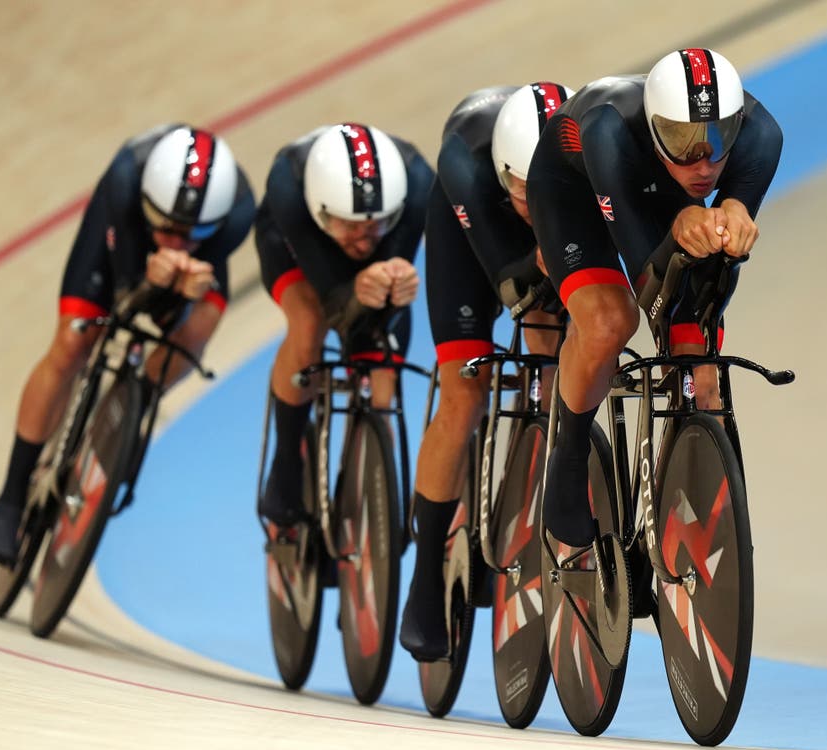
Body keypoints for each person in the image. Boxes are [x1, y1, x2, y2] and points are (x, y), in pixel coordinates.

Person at [526, 48, 783, 547]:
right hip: (574, 190)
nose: (703, 162)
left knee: (699, 365)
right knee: (608, 321)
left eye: (716, 140)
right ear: (653, 124)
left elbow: (707, 286)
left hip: (662, 189)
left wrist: (730, 220)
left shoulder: (761, 136)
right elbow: (649, 287)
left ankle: (678, 506)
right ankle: (570, 453)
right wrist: (680, 232)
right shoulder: (607, 130)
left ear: (736, 127)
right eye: (682, 142)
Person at [0, 124, 256, 564]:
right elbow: (127, 301)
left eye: (190, 235)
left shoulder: (237, 214)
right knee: (72, 344)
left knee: (201, 324)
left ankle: (136, 402)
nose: (178, 242)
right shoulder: (127, 183)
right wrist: (150, 279)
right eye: (167, 229)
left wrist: (182, 297)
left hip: (186, 262)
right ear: (150, 207)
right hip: (120, 243)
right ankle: (10, 499)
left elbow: (173, 317)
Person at [399, 82, 572, 661]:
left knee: (557, 372)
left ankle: (540, 482)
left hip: (537, 226)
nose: (539, 201)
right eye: (529, 191)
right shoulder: (468, 166)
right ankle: (424, 579)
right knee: (465, 394)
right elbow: (509, 278)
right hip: (467, 233)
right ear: (505, 175)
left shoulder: (580, 151)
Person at [255, 123, 433, 528]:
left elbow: (385, 283)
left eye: (375, 224)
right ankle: (285, 465)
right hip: (295, 249)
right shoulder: (290, 187)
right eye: (350, 225)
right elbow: (335, 301)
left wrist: (395, 281)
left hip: (368, 243)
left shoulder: (419, 184)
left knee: (382, 381)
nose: (363, 239)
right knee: (309, 321)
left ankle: (369, 484)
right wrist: (355, 287)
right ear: (322, 210)